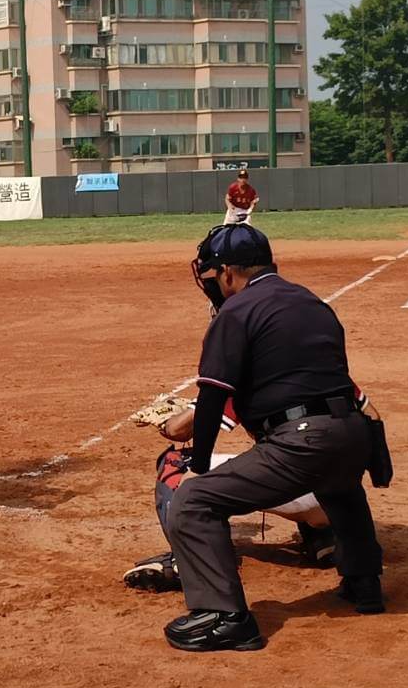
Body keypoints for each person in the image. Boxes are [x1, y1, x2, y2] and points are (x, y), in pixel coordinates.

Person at [160, 223, 385, 652]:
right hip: (354, 435)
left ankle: (224, 617)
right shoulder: (311, 301)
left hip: (301, 440)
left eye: (212, 275)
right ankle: (365, 583)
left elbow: (214, 397)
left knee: (194, 500)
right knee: (341, 488)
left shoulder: (238, 311)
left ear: (227, 272)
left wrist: (201, 463)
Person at [122, 383, 374, 591]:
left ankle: (187, 563)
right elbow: (372, 415)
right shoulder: (322, 368)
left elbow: (179, 430)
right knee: (314, 447)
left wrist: (172, 418)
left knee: (175, 463)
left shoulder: (248, 371)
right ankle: (324, 536)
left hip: (289, 481)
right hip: (339, 496)